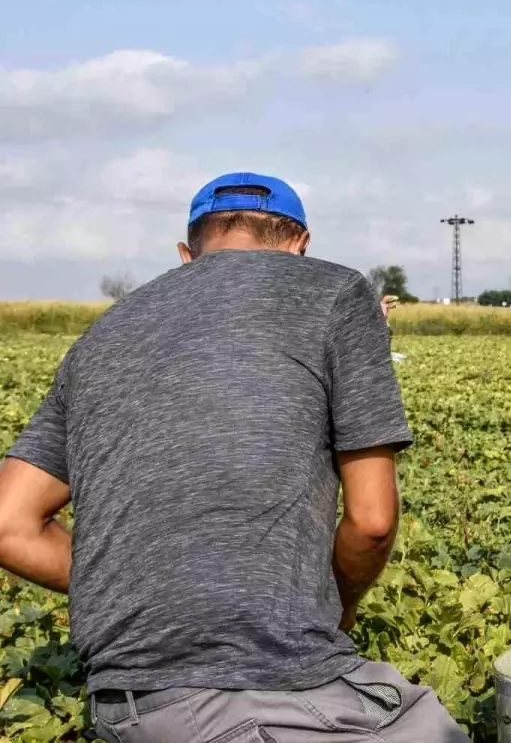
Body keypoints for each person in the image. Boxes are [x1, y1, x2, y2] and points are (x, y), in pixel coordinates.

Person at [0, 173, 468, 743]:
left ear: (186, 254)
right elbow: (372, 522)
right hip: (261, 694)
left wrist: (143, 590)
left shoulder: (100, 337)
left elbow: (9, 524)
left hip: (130, 705)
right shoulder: (334, 292)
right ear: (300, 245)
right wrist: (334, 606)